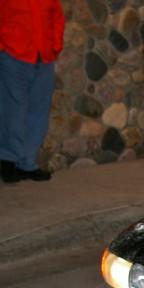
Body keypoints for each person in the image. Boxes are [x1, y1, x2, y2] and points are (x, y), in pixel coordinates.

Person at [0, 0, 65, 183]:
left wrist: (55, 45)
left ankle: (27, 163)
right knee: (13, 110)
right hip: (14, 56)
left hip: (43, 57)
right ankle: (7, 160)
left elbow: (56, 17)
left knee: (39, 112)